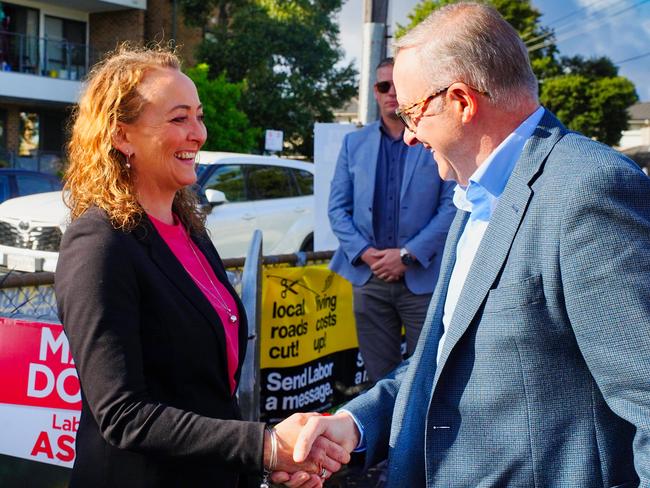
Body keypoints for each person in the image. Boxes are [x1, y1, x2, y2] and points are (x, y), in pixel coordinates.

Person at [288, 3, 650, 487]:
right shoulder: (475, 198)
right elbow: (439, 360)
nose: (411, 135)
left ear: (461, 101)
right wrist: (352, 425)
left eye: (413, 112)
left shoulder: (587, 189)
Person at [55, 45, 348, 488]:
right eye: (178, 118)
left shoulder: (188, 229)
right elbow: (122, 415)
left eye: (199, 115)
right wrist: (265, 446)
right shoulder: (99, 243)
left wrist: (273, 458)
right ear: (121, 136)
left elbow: (208, 394)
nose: (199, 133)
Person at [328, 57, 455, 383]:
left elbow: (452, 207)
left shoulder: (433, 138)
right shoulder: (353, 143)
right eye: (383, 86)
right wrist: (368, 255)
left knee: (427, 377)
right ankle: (385, 436)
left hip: (421, 278)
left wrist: (406, 255)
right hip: (368, 280)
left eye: (397, 85)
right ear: (375, 91)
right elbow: (337, 209)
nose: (391, 93)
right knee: (379, 379)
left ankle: (419, 436)